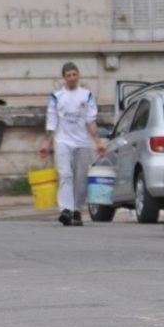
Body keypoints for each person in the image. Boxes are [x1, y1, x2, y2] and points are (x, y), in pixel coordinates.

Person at [38, 63, 106, 226]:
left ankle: (77, 210)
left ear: (79, 75)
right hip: (63, 142)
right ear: (64, 77)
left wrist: (98, 142)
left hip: (82, 142)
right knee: (66, 175)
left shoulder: (87, 95)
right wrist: (46, 143)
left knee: (81, 178)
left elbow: (91, 120)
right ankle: (66, 209)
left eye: (74, 74)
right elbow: (52, 121)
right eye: (68, 75)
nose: (72, 78)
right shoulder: (57, 97)